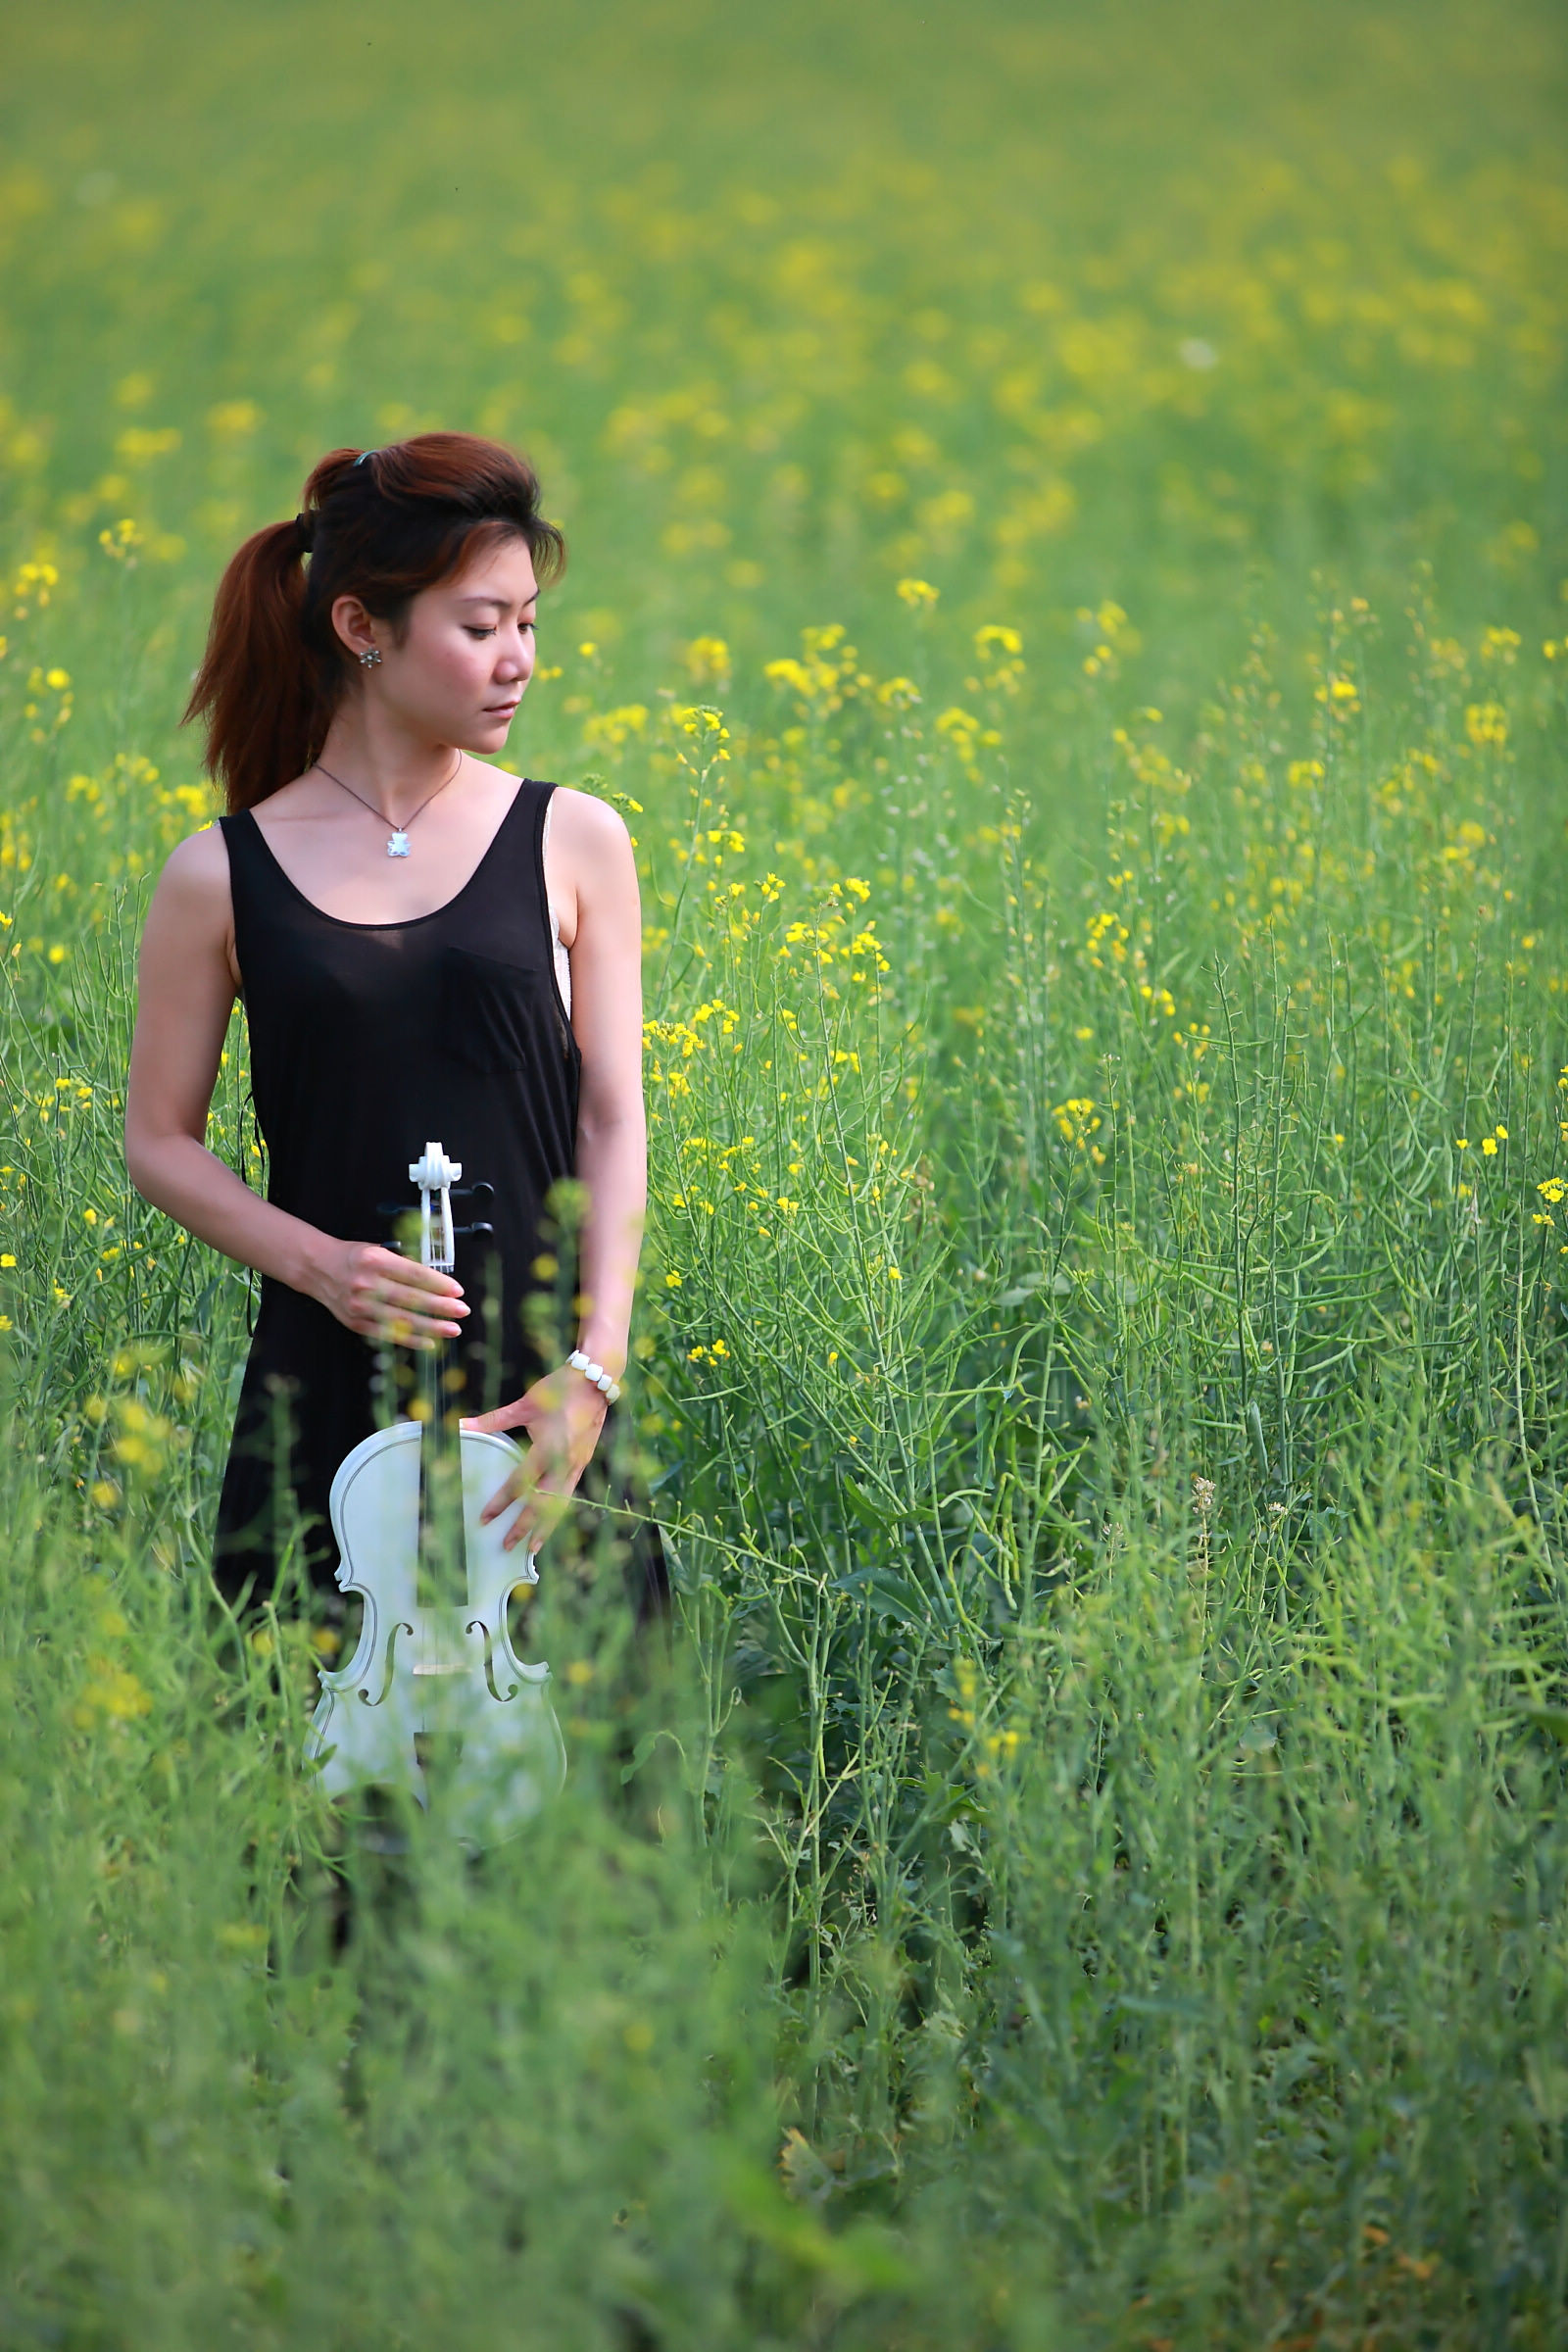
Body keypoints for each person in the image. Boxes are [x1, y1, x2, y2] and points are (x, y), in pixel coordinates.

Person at [123, 432, 663, 1623]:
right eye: (481, 627)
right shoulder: (219, 875)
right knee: (310, 1764)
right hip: (322, 1376)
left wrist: (593, 1371)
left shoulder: (577, 839)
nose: (518, 660)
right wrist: (319, 1267)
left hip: (542, 1397)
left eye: (528, 623)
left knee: (587, 1768)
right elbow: (157, 1140)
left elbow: (611, 1115)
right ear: (364, 626)